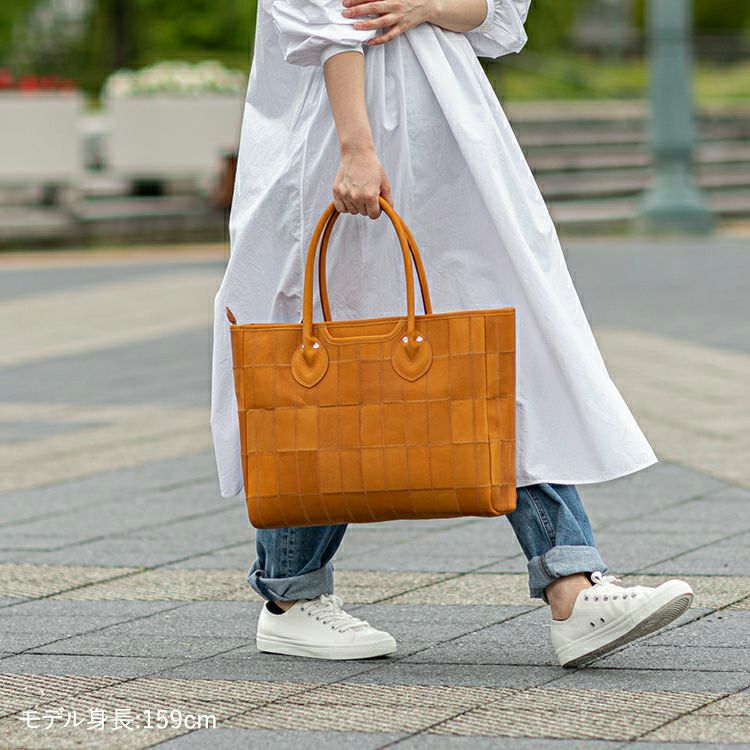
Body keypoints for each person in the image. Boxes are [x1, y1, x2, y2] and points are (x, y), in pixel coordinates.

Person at [210, 0, 694, 667]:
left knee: (500, 350)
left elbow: (498, 17)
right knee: (328, 354)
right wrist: (356, 148)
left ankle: (572, 586)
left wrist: (429, 6)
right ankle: (291, 596)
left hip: (452, 143)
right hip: (337, 136)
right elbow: (324, 22)